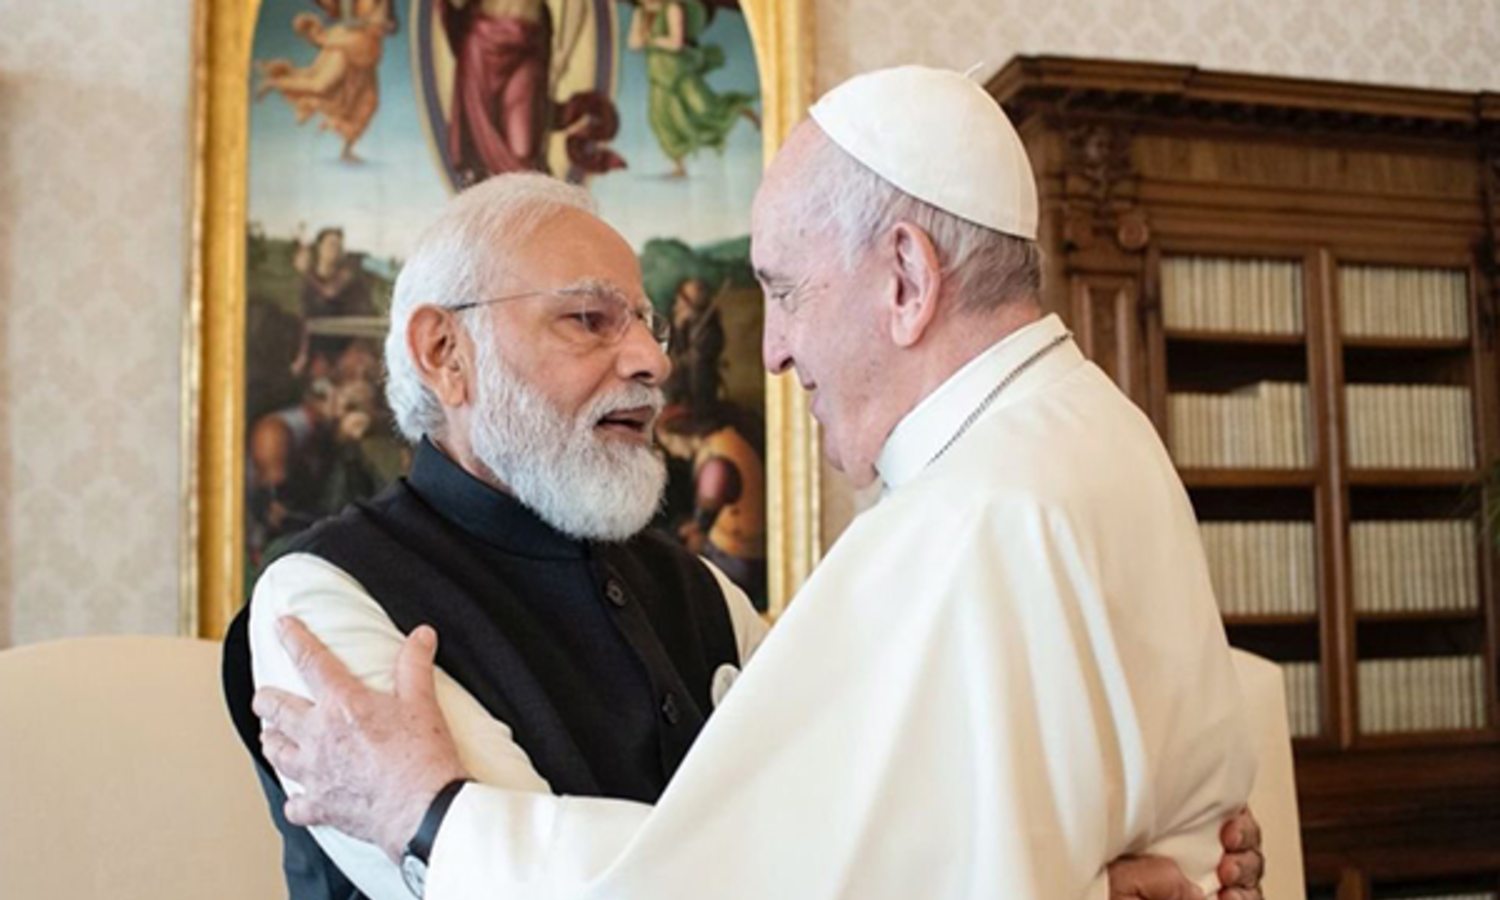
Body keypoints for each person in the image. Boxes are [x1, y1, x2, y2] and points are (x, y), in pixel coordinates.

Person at [252, 67, 1266, 900]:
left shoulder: (909, 532)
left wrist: (432, 817)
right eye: (591, 319)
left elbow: (811, 861)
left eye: (781, 290)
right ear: (445, 352)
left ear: (907, 279)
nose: (658, 359)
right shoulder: (320, 598)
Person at [627, 0, 759, 177]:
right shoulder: (640, 13)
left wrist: (651, 40)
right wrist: (646, 39)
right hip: (658, 72)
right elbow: (633, 43)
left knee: (704, 108)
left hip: (679, 70)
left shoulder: (672, 8)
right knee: (661, 119)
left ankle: (741, 109)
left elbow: (675, 43)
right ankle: (679, 166)